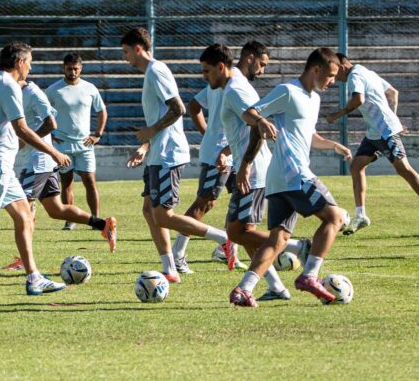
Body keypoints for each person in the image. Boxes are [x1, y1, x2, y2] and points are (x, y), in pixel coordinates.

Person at [229, 47, 352, 307]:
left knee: (278, 240)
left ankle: (243, 289)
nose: (333, 82)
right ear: (316, 70)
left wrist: (332, 145)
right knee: (336, 217)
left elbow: (309, 136)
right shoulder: (287, 91)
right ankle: (309, 275)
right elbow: (249, 113)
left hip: (278, 179)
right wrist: (260, 122)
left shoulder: (314, 99)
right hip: (294, 174)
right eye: (330, 75)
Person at [0, 42, 72, 297]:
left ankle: (34, 278)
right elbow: (21, 128)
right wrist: (53, 152)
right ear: (19, 62)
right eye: (29, 62)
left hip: (0, 166)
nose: (30, 67)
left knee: (24, 218)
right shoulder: (6, 85)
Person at [202, 43, 312, 301]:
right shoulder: (232, 88)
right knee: (241, 233)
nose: (204, 77)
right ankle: (276, 287)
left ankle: (297, 246)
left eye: (207, 71)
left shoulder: (235, 90)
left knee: (238, 232)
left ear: (221, 67)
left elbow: (254, 121)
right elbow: (245, 126)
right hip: (250, 168)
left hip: (254, 172)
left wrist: (245, 163)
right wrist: (228, 152)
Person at [120, 28, 229, 284]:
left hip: (168, 154)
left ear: (138, 49)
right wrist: (146, 145)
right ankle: (169, 269)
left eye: (126, 52)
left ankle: (225, 239)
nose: (125, 57)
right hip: (157, 153)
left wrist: (151, 131)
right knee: (149, 210)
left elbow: (178, 109)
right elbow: (161, 115)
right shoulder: (151, 73)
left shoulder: (156, 71)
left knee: (163, 215)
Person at [174, 40, 271, 272]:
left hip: (233, 153)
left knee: (237, 205)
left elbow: (196, 105)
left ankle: (227, 249)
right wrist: (210, 135)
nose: (262, 70)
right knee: (205, 202)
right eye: (262, 64)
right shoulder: (226, 81)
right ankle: (177, 254)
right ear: (250, 58)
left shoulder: (230, 81)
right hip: (219, 152)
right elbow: (193, 106)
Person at [326, 53, 419, 234]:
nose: (335, 78)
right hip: (374, 133)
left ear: (342, 67)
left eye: (336, 73)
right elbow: (393, 93)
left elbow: (358, 100)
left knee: (404, 169)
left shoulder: (354, 76)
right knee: (356, 166)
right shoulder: (368, 72)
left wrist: (337, 114)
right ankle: (361, 215)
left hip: (385, 132)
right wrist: (393, 118)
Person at [13, 77, 116, 267]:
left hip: (37, 162)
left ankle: (23, 261)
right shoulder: (17, 92)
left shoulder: (33, 93)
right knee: (56, 210)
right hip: (40, 161)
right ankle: (103, 224)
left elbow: (51, 123)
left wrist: (26, 141)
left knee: (23, 210)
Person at [46, 53, 107, 230]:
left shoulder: (90, 88)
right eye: (69, 68)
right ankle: (70, 220)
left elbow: (102, 111)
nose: (72, 72)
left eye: (75, 68)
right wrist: (50, 134)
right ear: (63, 68)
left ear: (81, 68)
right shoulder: (53, 90)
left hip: (84, 144)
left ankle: (96, 220)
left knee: (90, 180)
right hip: (62, 144)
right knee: (66, 182)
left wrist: (97, 134)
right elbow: (42, 113)